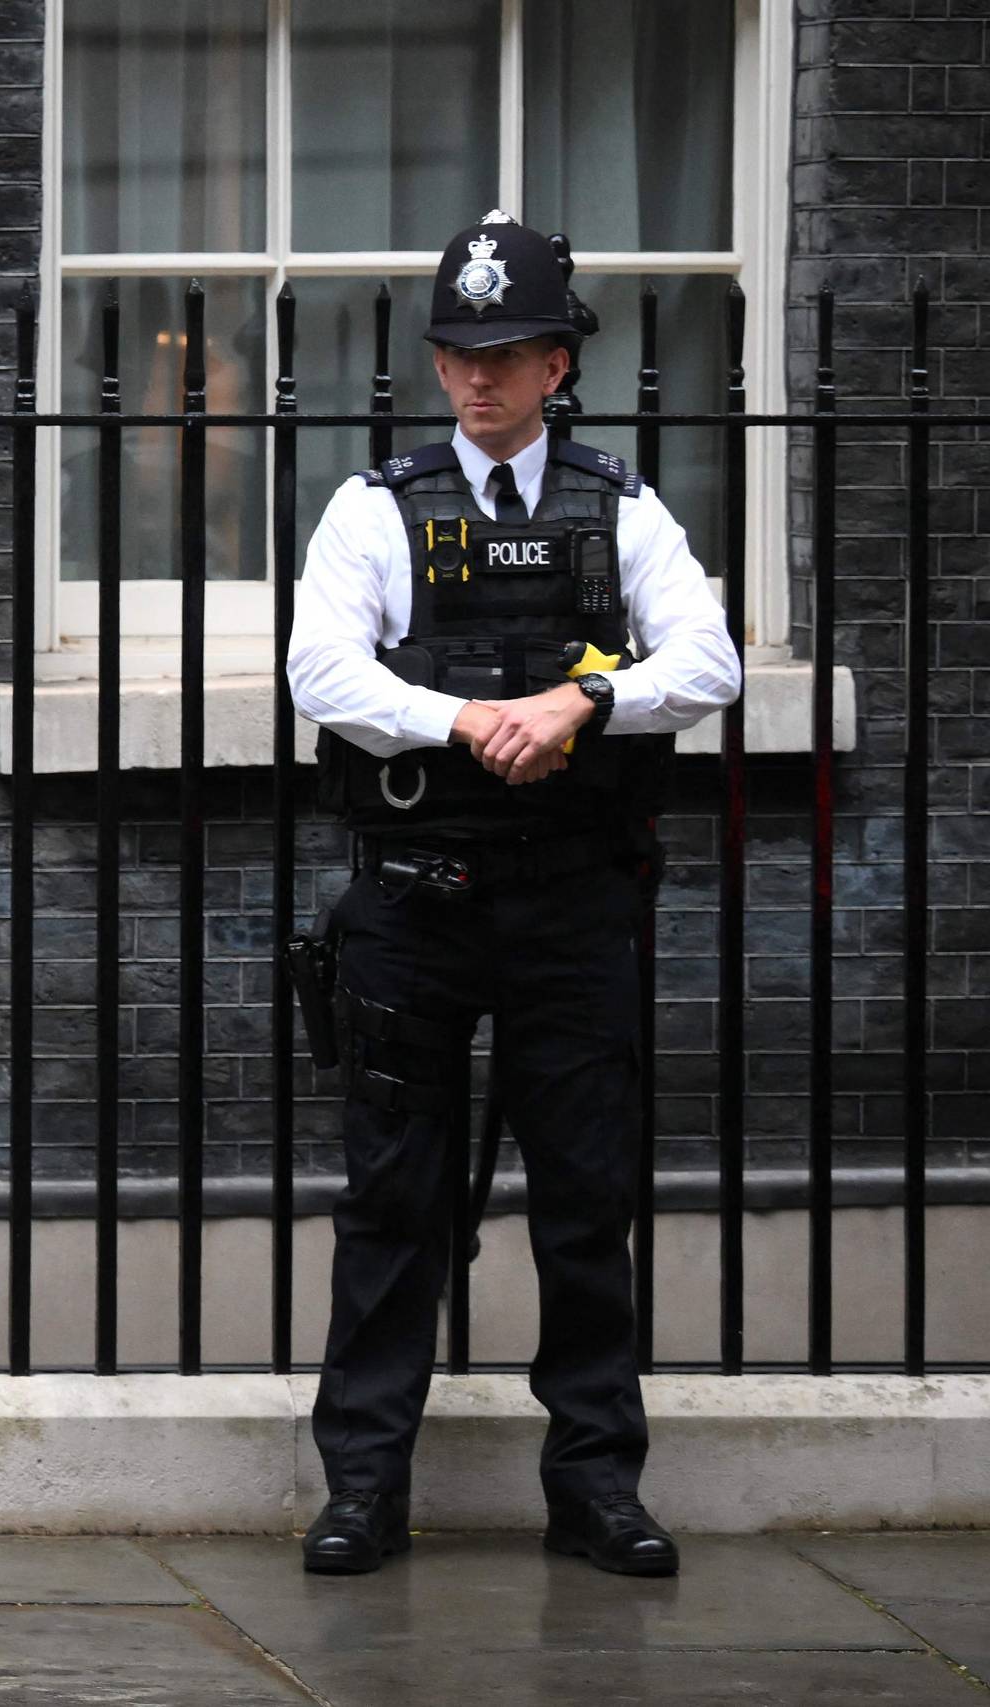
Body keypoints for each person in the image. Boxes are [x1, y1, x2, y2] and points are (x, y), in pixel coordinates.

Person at [284, 212, 740, 1579]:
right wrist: (469, 723)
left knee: (585, 1202)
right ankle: (364, 1486)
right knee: (392, 1204)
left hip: (572, 903)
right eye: (457, 354)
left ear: (557, 364)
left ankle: (595, 1488)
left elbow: (708, 663)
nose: (476, 379)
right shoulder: (375, 509)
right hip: (414, 904)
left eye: (506, 355)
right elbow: (325, 678)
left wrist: (583, 698)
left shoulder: (623, 508)